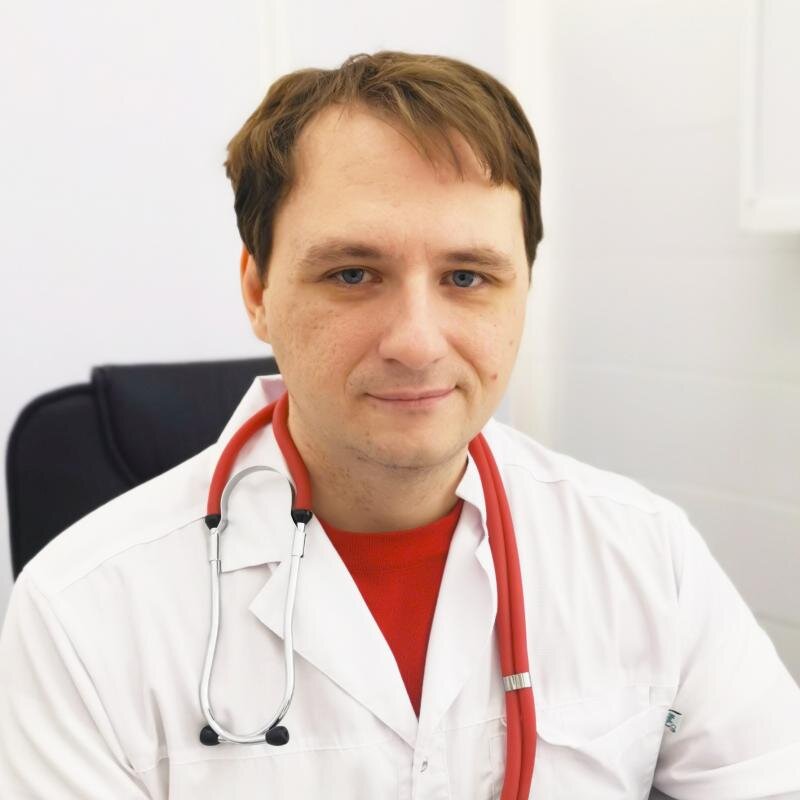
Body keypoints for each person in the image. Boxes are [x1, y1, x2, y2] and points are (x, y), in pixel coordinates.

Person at [0, 49, 798, 799]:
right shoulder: (83, 614)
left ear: (524, 289)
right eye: (353, 273)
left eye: (467, 277)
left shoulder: (646, 558)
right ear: (258, 292)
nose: (416, 343)